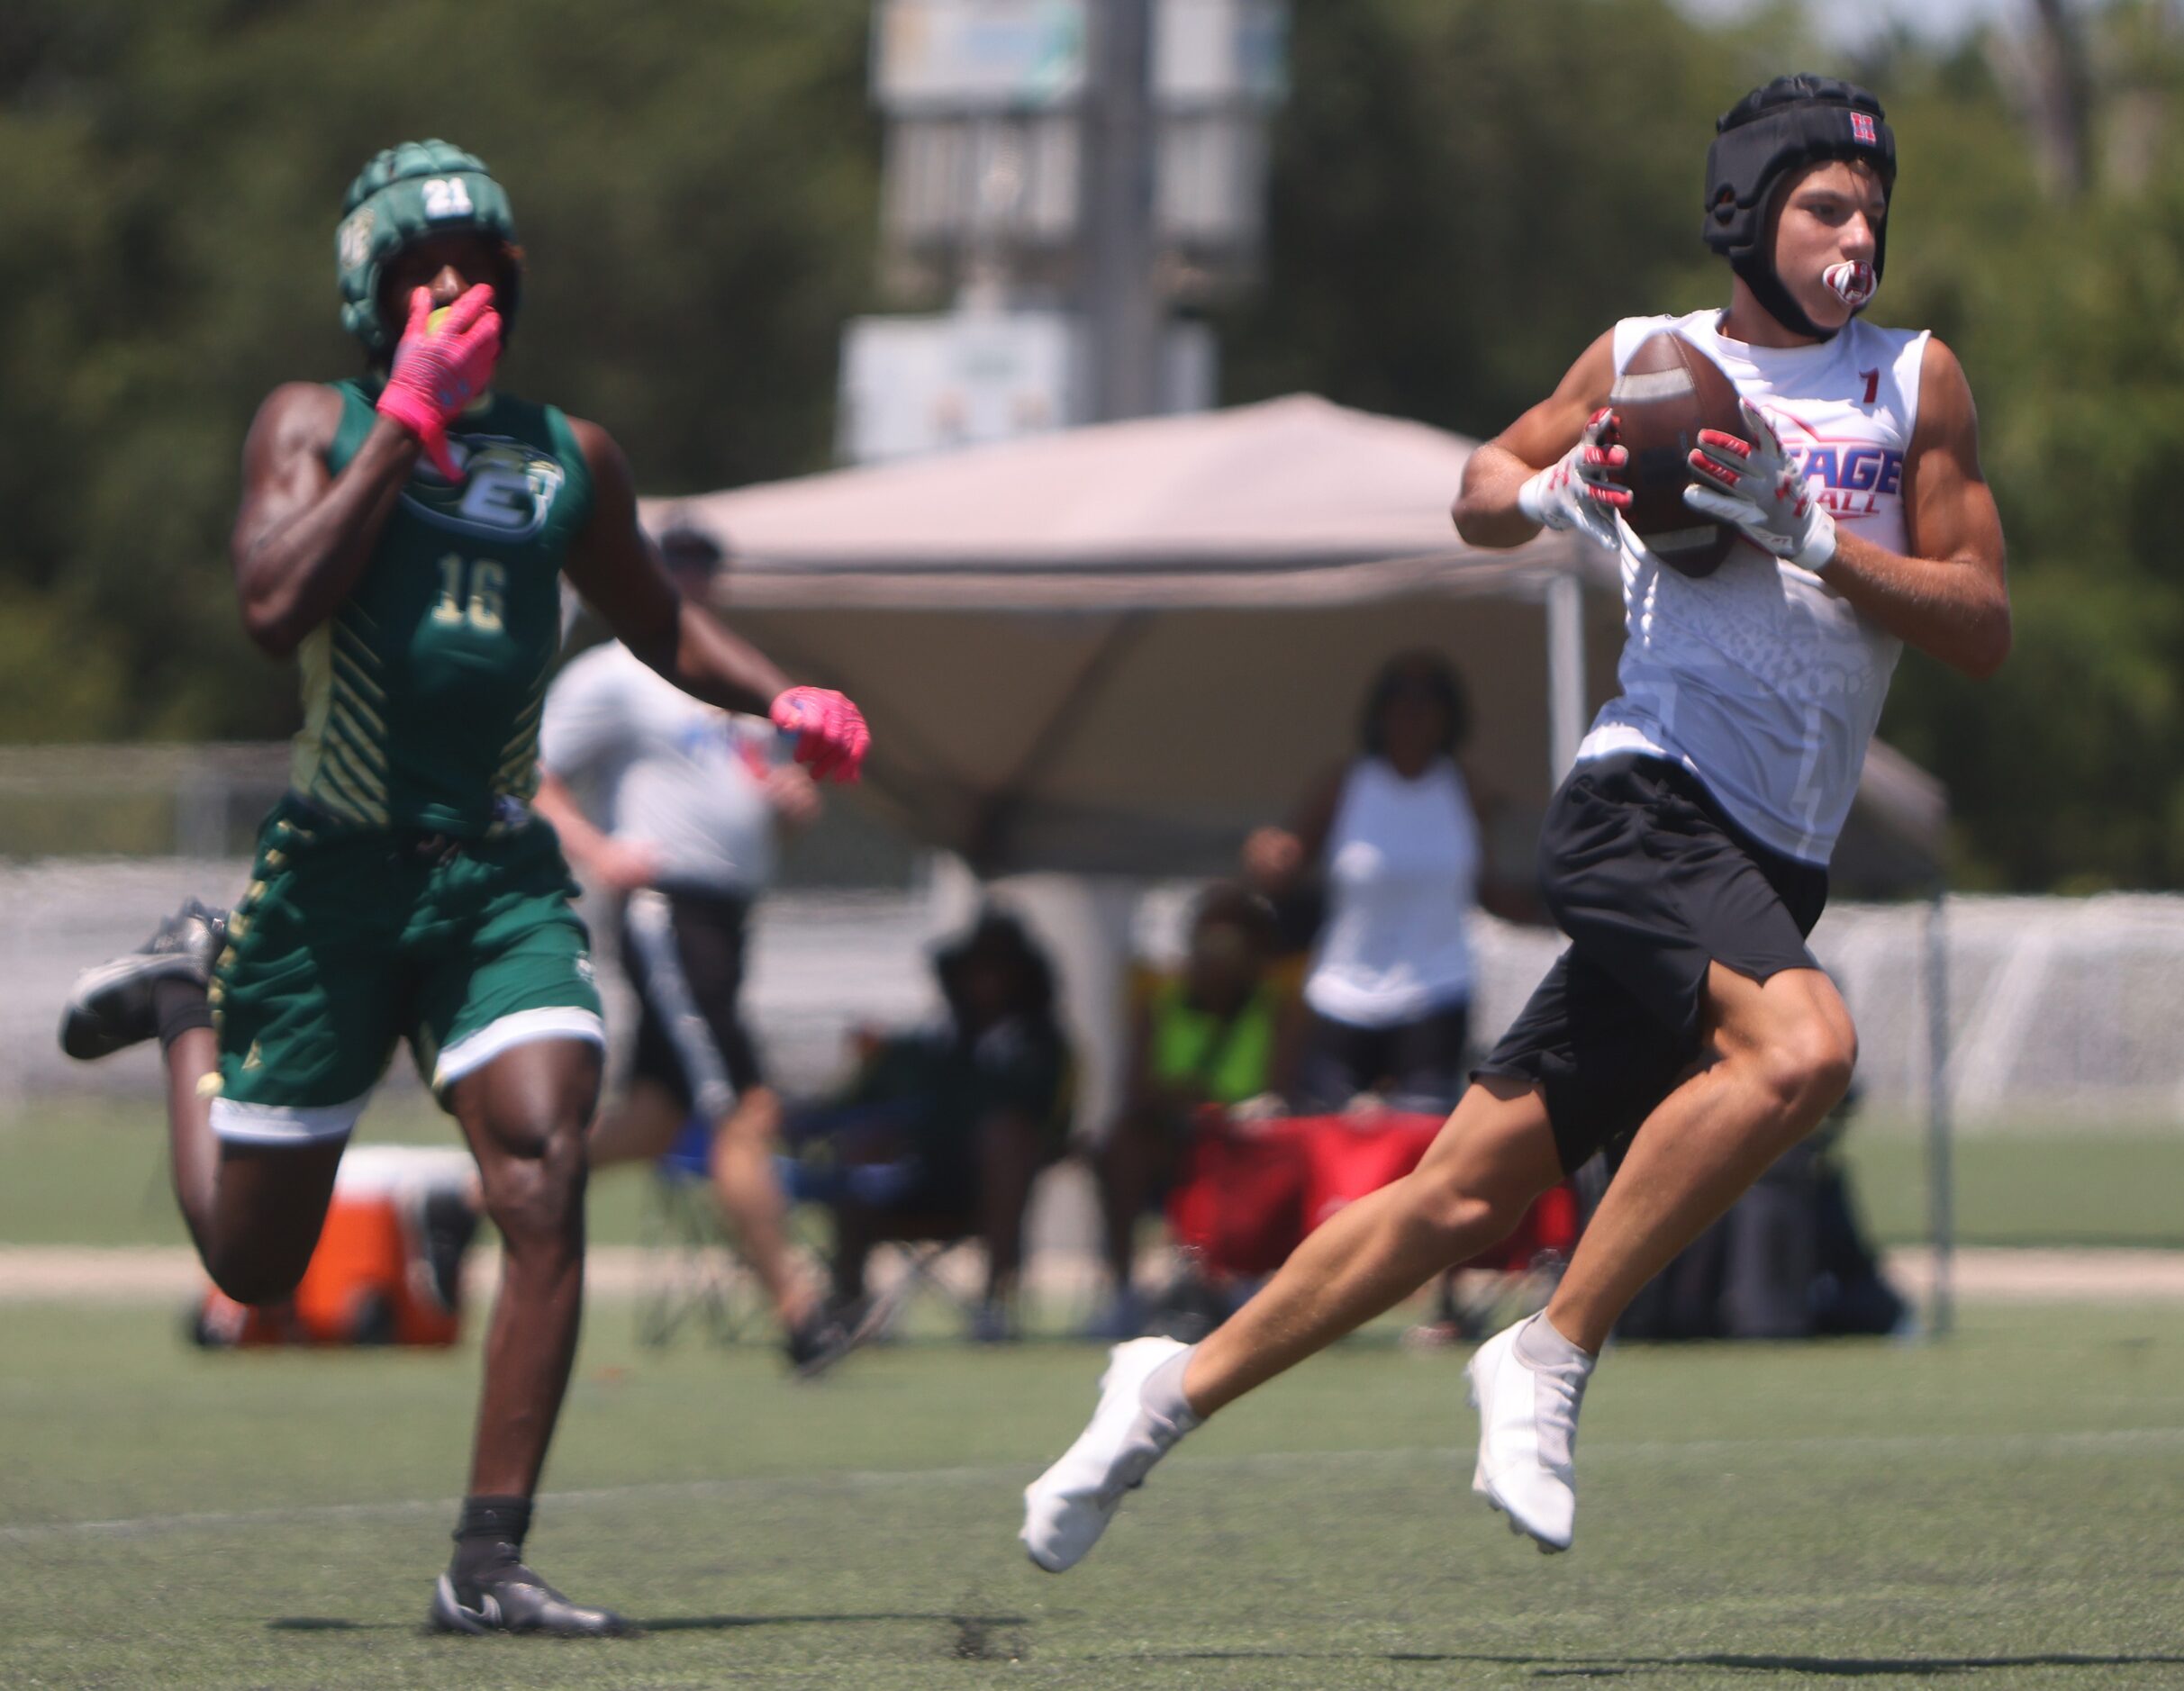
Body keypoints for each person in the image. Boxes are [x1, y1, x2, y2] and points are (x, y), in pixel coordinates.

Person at [1021, 75, 2007, 1571]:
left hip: (1771, 856)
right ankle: (1547, 1350)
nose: (1858, 232)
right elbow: (1478, 487)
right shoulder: (1647, 358)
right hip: (1643, 801)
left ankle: (1163, 1387)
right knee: (1805, 1050)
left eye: (1874, 207)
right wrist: (1558, 493)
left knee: (1461, 1193)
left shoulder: (1915, 381)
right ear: (1747, 212)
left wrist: (1816, 539)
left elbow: (1983, 622)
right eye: (1825, 204)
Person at [56, 141, 869, 1634]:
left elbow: (657, 623)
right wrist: (396, 437)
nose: (456, 289)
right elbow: (267, 606)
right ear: (373, 293)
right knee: (255, 1253)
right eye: (425, 269)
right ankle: (189, 994)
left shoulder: (574, 455)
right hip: (332, 885)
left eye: (478, 267)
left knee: (544, 1176)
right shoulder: (315, 421)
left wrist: (780, 697)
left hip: (496, 876)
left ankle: (485, 1561)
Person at [531, 521, 839, 1370]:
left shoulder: (724, 680)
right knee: (744, 1109)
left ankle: (482, 1191)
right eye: (677, 567)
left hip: (726, 917)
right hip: (665, 910)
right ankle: (800, 1313)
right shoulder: (615, 676)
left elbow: (761, 801)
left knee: (655, 1121)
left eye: (705, 569)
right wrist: (597, 851)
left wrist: (790, 806)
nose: (693, 582)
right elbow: (527, 768)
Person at [803, 909, 1072, 1340]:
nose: (985, 981)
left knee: (1006, 1138)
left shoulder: (1040, 1050)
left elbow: (1052, 1124)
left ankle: (995, 1302)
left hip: (987, 1189)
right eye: (976, 968)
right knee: (863, 1142)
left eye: (999, 968)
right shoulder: (919, 1047)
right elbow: (851, 1104)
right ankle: (849, 1303)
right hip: (910, 1178)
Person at [1245, 651, 1484, 1117]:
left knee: (1418, 1141)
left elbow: (1488, 886)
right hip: (1344, 993)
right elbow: (1288, 863)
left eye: (1428, 700)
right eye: (1399, 699)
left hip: (1435, 992)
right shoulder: (1346, 783)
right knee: (1329, 1136)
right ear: (1378, 712)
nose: (1412, 713)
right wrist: (1269, 858)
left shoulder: (1464, 789)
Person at [1089, 882, 1297, 1337]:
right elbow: (1137, 1090)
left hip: (1246, 1146)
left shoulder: (1277, 1011)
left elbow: (1284, 1094)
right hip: (1170, 1138)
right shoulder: (1159, 1005)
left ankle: (1241, 1284)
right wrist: (1181, 1099)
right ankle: (1122, 1293)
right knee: (1120, 1149)